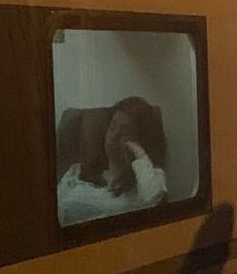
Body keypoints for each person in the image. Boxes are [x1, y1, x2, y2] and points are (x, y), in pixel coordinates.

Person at [57, 96, 168, 226]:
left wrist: (140, 154)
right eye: (113, 126)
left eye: (125, 131)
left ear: (138, 140)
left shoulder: (149, 178)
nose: (114, 136)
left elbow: (152, 199)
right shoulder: (78, 171)